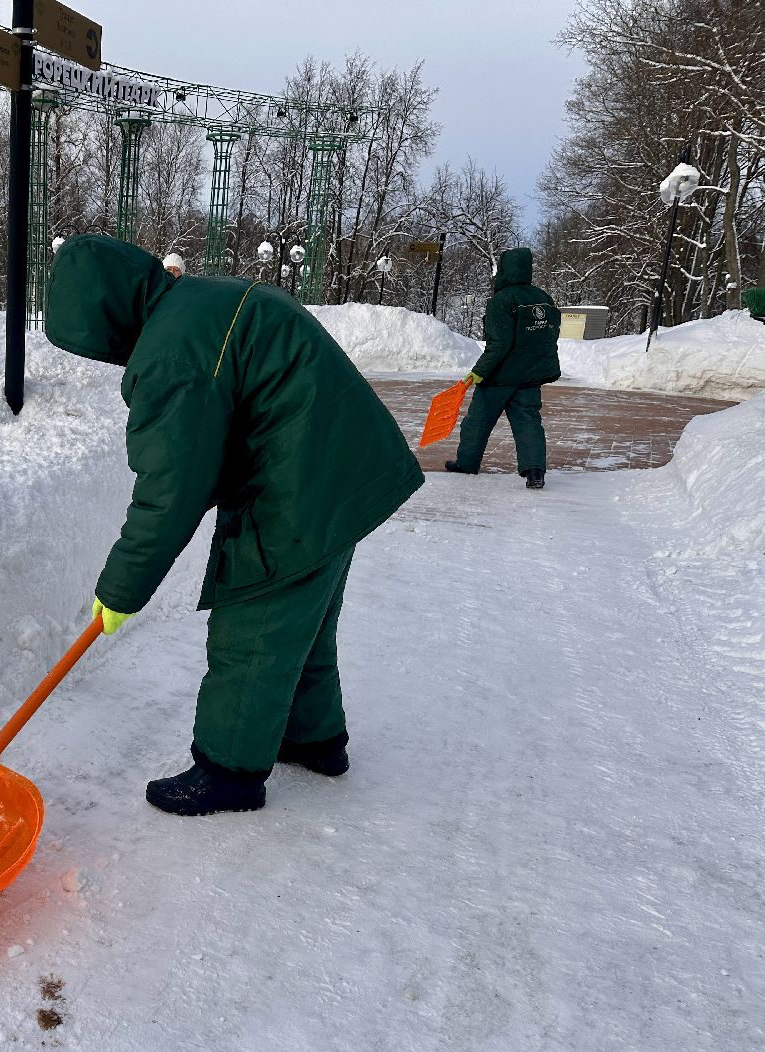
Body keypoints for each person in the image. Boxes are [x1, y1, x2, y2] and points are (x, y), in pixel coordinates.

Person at [44, 236, 423, 817]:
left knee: (253, 627)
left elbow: (169, 491)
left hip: (300, 487)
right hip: (342, 471)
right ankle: (314, 739)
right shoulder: (201, 300)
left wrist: (120, 590)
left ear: (104, 317)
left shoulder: (172, 354)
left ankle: (229, 772)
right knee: (301, 624)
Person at [446, 247, 562, 489]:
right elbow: (550, 336)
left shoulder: (502, 300)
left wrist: (479, 371)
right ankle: (535, 472)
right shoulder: (543, 298)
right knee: (528, 422)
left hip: (500, 377)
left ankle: (467, 463)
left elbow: (498, 344)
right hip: (530, 376)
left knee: (477, 421)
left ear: (505, 269)